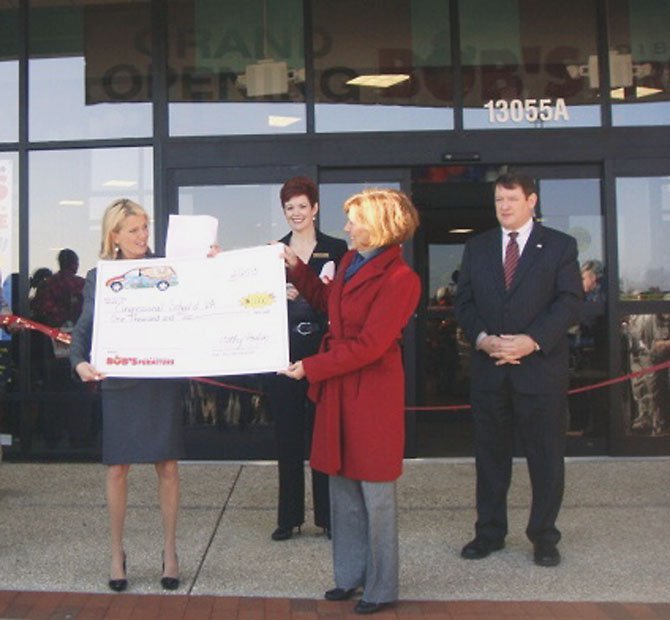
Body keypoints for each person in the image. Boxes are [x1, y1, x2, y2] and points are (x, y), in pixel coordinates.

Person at [280, 188, 420, 615]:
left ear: (379, 224)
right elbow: (329, 304)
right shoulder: (348, 263)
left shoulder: (401, 279)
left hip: (369, 396)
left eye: (354, 220)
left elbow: (370, 346)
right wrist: (297, 269)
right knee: (342, 489)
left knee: (376, 497)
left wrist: (312, 366)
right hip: (339, 392)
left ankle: (382, 587)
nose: (346, 228)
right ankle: (349, 577)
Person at [454, 172, 583, 568]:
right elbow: (465, 303)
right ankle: (489, 533)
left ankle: (544, 536)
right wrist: (482, 338)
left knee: (545, 458)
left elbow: (569, 301)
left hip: (539, 370)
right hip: (490, 368)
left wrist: (532, 341)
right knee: (490, 458)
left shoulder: (559, 246)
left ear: (532, 201)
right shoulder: (476, 248)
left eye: (511, 199)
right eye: (498, 200)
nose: (504, 207)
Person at [70, 198, 184, 592]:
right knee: (117, 469)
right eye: (134, 230)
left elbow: (196, 304)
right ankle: (116, 553)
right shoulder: (98, 276)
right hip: (119, 381)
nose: (142, 236)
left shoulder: (167, 268)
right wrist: (78, 361)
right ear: (114, 235)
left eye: (145, 228)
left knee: (167, 466)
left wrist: (213, 264)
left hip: (159, 380)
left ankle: (170, 552)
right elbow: (84, 327)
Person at [266, 176, 348, 542]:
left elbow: (339, 300)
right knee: (286, 437)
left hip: (322, 353)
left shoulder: (336, 247)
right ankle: (289, 517)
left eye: (302, 206)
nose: (296, 213)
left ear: (314, 208)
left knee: (322, 435)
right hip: (283, 355)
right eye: (289, 208)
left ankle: (328, 517)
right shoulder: (273, 251)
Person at [32, 248, 85, 328]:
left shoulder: (46, 284)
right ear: (74, 264)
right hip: (77, 330)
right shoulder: (81, 284)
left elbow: (37, 308)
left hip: (49, 331)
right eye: (77, 262)